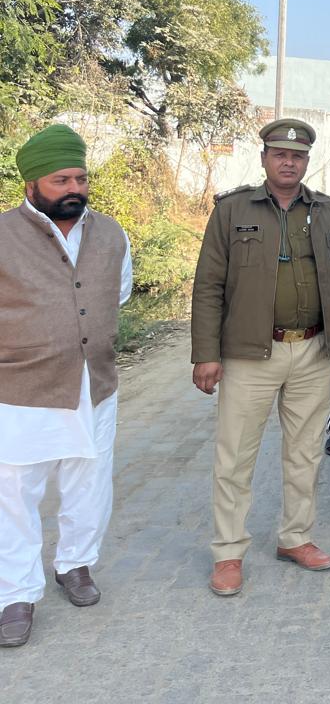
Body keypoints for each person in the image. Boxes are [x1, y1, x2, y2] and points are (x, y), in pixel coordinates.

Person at [192, 118, 330, 598]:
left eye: (298, 156)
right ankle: (228, 551)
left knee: (305, 452)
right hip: (249, 353)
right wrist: (205, 353)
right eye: (280, 154)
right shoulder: (232, 210)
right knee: (235, 456)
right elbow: (208, 285)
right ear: (265, 157)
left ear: (307, 161)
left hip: (313, 350)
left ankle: (295, 537)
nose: (289, 163)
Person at [0, 125, 131, 649]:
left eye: (80, 177)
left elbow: (118, 294)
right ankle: (15, 593)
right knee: (15, 493)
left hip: (93, 384)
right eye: (61, 180)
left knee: (88, 481)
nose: (74, 188)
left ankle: (75, 564)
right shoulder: (3, 234)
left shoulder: (112, 233)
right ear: (31, 184)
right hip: (20, 390)